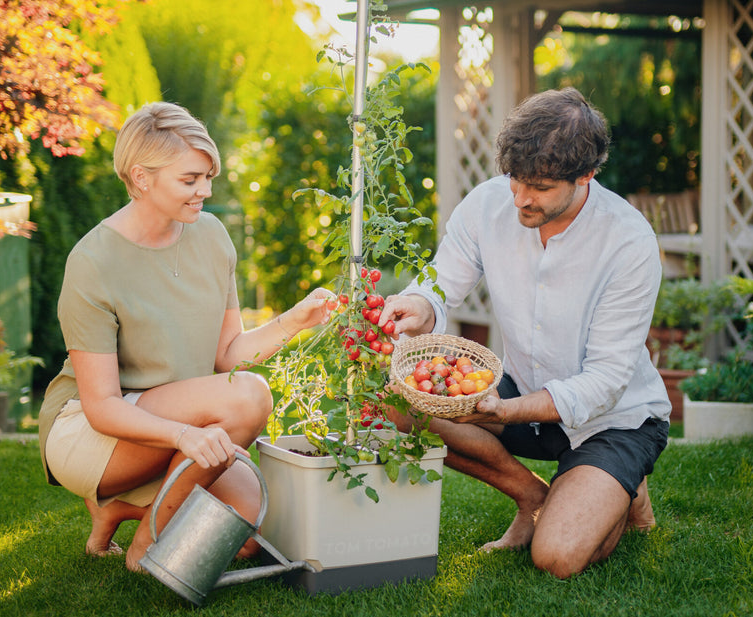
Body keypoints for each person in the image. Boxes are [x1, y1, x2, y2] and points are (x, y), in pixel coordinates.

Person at [378, 87, 670, 579]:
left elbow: (604, 382)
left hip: (614, 418)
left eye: (538, 187)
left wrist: (503, 410)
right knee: (396, 399)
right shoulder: (489, 203)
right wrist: (417, 303)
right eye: (514, 179)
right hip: (521, 388)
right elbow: (440, 284)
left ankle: (620, 480)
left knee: (557, 558)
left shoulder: (630, 242)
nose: (519, 198)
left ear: (586, 176)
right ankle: (533, 496)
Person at [37, 102, 332, 572]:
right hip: (94, 431)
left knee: (250, 531)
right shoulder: (93, 261)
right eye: (190, 180)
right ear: (141, 177)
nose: (205, 192)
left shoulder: (212, 237)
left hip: (177, 422)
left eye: (208, 177)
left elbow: (227, 356)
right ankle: (148, 543)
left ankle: (120, 509)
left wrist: (295, 321)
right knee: (249, 396)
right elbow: (102, 405)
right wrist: (185, 435)